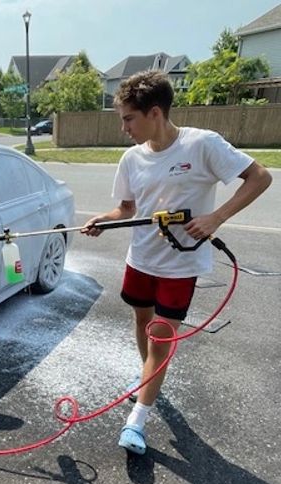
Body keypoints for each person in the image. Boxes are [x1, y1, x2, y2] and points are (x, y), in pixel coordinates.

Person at [82, 70, 272, 455]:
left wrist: (216, 217)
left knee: (161, 335)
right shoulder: (131, 158)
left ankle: (137, 418)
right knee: (142, 321)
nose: (123, 128)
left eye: (128, 118)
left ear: (154, 113)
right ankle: (149, 380)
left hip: (180, 267)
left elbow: (260, 177)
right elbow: (127, 208)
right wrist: (105, 219)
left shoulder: (202, 145)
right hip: (141, 259)